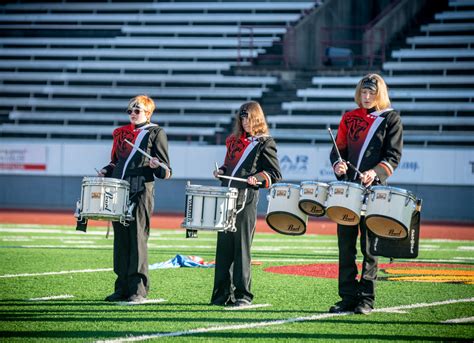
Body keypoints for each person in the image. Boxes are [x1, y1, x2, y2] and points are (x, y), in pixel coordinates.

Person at [329, 74, 403, 315]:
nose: (367, 96)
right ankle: (348, 297)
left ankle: (366, 299)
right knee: (345, 246)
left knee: (370, 247)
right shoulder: (349, 118)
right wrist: (338, 165)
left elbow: (393, 156)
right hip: (348, 190)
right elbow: (338, 150)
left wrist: (375, 172)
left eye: (371, 92)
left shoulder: (390, 119)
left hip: (374, 191)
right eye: (363, 92)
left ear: (379, 93)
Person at [98, 95, 171, 303]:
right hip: (119, 191)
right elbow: (117, 162)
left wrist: (157, 166)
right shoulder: (123, 134)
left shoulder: (156, 133)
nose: (132, 114)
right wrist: (106, 169)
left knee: (137, 239)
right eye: (129, 110)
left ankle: (138, 290)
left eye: (136, 110)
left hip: (141, 192)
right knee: (121, 240)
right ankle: (121, 286)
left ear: (148, 113)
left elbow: (167, 171)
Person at [211, 101, 282, 307]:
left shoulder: (265, 142)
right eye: (242, 119)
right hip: (227, 195)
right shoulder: (233, 141)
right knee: (223, 247)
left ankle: (243, 295)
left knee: (241, 247)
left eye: (248, 118)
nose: (245, 123)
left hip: (246, 198)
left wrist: (258, 178)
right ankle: (221, 294)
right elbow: (230, 166)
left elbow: (274, 173)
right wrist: (221, 171)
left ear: (257, 118)